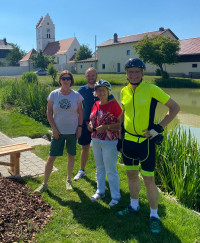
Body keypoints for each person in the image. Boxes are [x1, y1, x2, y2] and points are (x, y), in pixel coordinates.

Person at [116, 58, 180, 234]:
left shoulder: (151, 89)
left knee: (149, 180)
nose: (133, 74)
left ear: (143, 73)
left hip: (146, 143)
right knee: (131, 175)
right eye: (130, 71)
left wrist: (158, 128)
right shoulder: (123, 91)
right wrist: (120, 138)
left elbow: (174, 107)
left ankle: (154, 215)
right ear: (126, 73)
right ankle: (134, 205)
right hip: (128, 141)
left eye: (137, 71)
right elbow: (125, 114)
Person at [35, 70, 83, 192]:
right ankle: (44, 183)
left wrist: (80, 127)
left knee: (71, 155)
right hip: (58, 132)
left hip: (72, 131)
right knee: (51, 157)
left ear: (71, 81)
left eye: (68, 78)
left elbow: (80, 113)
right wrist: (54, 129)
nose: (66, 80)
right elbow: (49, 112)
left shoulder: (76, 95)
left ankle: (68, 180)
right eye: (63, 78)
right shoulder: (54, 94)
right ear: (60, 80)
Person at [73, 68, 114, 181]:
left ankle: (101, 172)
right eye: (88, 76)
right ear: (85, 77)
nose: (91, 77)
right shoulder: (82, 90)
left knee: (102, 150)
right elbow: (77, 107)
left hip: (102, 126)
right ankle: (82, 170)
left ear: (96, 75)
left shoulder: (103, 89)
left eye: (92, 75)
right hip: (86, 124)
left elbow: (113, 105)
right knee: (85, 147)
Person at [87, 80, 122, 207]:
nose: (100, 92)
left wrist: (106, 127)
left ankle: (116, 196)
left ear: (108, 91)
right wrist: (90, 125)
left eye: (103, 90)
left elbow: (120, 124)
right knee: (100, 168)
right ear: (95, 92)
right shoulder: (95, 104)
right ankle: (100, 191)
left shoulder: (114, 105)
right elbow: (92, 120)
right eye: (98, 90)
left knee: (110, 169)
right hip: (96, 140)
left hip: (110, 141)